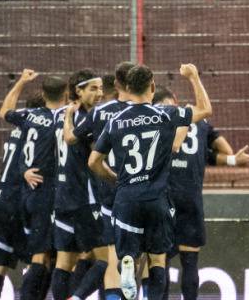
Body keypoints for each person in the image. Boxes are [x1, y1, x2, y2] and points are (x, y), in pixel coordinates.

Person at [88, 64, 207, 300]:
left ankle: (128, 261)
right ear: (152, 87)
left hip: (126, 199)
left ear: (127, 87)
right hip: (156, 199)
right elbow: (205, 109)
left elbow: (93, 161)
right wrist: (193, 76)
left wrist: (112, 177)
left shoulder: (115, 121)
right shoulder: (165, 115)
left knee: (127, 254)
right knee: (157, 260)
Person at [154, 80, 249, 300]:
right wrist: (232, 160)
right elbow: (223, 151)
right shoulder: (201, 122)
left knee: (160, 260)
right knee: (190, 261)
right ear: (175, 100)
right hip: (190, 197)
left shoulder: (156, 121)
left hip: (164, 196)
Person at [64, 62, 136, 300]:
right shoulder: (149, 112)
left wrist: (67, 116)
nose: (98, 93)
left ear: (115, 84)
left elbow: (71, 139)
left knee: (107, 255)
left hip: (106, 191)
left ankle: (78, 297)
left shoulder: (99, 113)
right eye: (93, 88)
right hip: (138, 190)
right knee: (144, 256)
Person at [0, 69, 63, 300]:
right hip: (45, 193)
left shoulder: (29, 115)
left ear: (43, 95)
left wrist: (21, 83)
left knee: (49, 256)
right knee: (42, 256)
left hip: (29, 193)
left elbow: (4, 112)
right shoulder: (60, 119)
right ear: (66, 94)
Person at [48, 69, 107, 300]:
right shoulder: (88, 120)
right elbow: (96, 158)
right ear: (78, 91)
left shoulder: (60, 115)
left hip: (62, 196)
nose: (99, 93)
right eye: (93, 88)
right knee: (107, 259)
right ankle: (78, 297)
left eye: (101, 88)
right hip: (85, 198)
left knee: (64, 262)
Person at [0, 91, 43, 300]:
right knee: (36, 261)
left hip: (0, 199)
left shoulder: (17, 128)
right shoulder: (39, 130)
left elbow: (5, 110)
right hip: (21, 201)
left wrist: (21, 82)